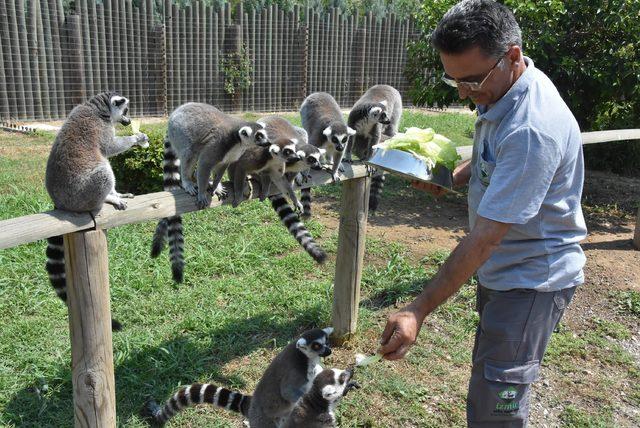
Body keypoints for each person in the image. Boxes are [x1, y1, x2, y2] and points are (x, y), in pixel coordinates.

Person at [378, 0, 587, 426]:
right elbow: (495, 156)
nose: (462, 93)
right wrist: (451, 178)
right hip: (505, 270)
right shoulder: (506, 89)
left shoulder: (533, 127)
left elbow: (486, 236)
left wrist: (417, 310)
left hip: (530, 280)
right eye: (453, 79)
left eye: (471, 80)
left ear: (511, 55)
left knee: (498, 402)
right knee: (490, 381)